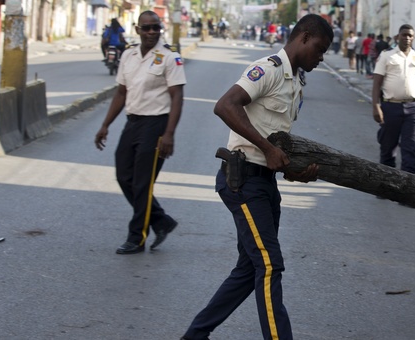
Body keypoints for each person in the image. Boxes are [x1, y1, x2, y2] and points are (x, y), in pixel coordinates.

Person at [180, 14, 332, 340]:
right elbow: (225, 106)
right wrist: (268, 149)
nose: (321, 58)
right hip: (243, 180)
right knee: (268, 265)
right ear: (303, 37)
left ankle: (194, 336)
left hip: (264, 183)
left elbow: (274, 145)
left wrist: (295, 173)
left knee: (250, 268)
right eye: (320, 49)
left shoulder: (296, 83)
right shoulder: (269, 69)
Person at [94, 11, 186, 254]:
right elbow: (121, 93)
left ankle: (137, 237)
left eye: (156, 27)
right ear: (137, 30)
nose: (151, 32)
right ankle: (161, 220)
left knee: (143, 184)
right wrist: (105, 125)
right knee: (124, 176)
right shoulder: (128, 55)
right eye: (146, 28)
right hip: (132, 123)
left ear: (160, 28)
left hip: (156, 124)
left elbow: (177, 96)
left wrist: (169, 134)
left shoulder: (170, 57)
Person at [372, 24, 415, 175]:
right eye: (404, 35)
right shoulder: (386, 56)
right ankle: (385, 186)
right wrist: (376, 106)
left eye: (410, 35)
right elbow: (377, 83)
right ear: (398, 37)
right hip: (391, 108)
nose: (407, 38)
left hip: (414, 108)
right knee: (388, 149)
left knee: (410, 150)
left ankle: (407, 191)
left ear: (413, 38)